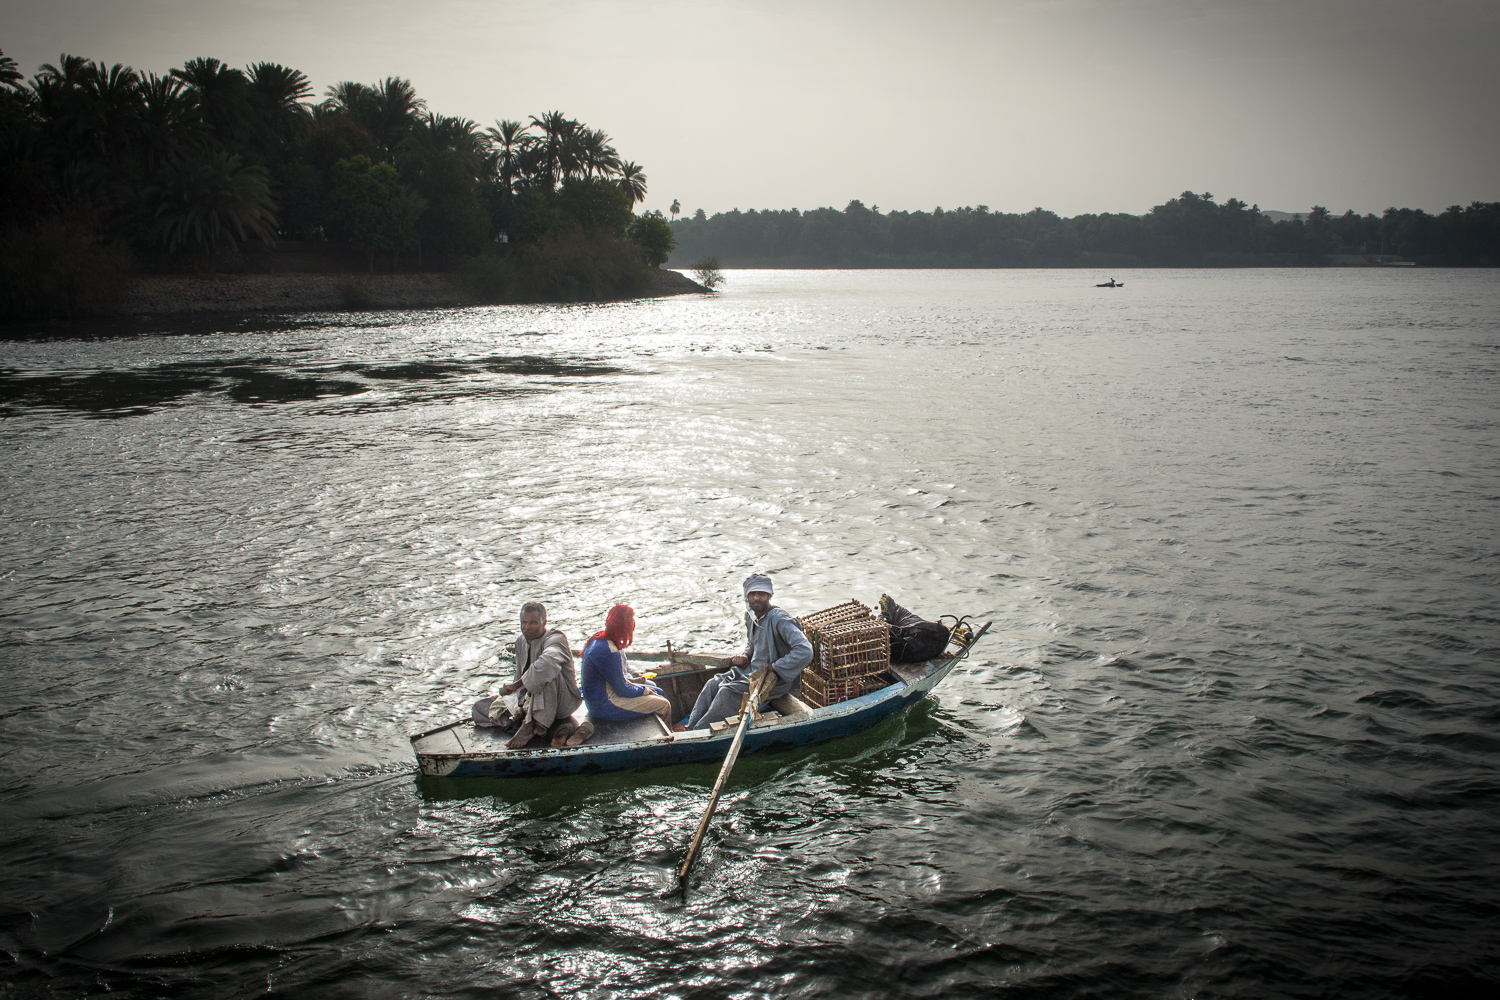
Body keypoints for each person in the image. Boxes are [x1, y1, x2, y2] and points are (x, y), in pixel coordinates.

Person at [681, 572, 813, 731]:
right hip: (750, 672)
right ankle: (691, 728)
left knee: (726, 692)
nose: (757, 598)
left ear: (769, 596)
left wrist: (777, 667)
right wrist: (745, 655)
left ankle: (699, 732)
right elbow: (753, 644)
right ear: (747, 596)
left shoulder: (780, 619)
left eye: (761, 594)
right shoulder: (750, 616)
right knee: (712, 684)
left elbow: (805, 651)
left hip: (770, 680)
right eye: (753, 594)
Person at [471, 601, 583, 750]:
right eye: (523, 622)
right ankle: (523, 719)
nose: (527, 627)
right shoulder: (520, 642)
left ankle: (530, 725)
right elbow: (520, 677)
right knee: (481, 708)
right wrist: (521, 708)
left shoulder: (556, 639)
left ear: (544, 622)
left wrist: (516, 684)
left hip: (561, 704)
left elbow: (547, 664)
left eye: (533, 623)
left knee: (546, 670)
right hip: (532, 702)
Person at [580, 604, 671, 730]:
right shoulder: (609, 652)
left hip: (596, 701)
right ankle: (667, 742)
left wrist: (642, 687)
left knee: (659, 692)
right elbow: (622, 690)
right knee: (664, 705)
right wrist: (645, 691)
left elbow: (618, 681)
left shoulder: (598, 639)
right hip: (604, 706)